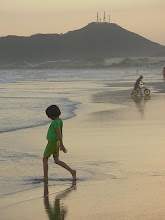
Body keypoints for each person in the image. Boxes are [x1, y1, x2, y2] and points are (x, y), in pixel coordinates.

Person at [43, 105, 76, 182]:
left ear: (51, 115)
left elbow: (59, 133)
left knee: (45, 159)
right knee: (56, 160)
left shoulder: (55, 123)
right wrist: (60, 143)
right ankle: (72, 171)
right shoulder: (60, 121)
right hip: (56, 143)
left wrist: (62, 144)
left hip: (52, 143)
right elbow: (61, 133)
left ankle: (45, 177)